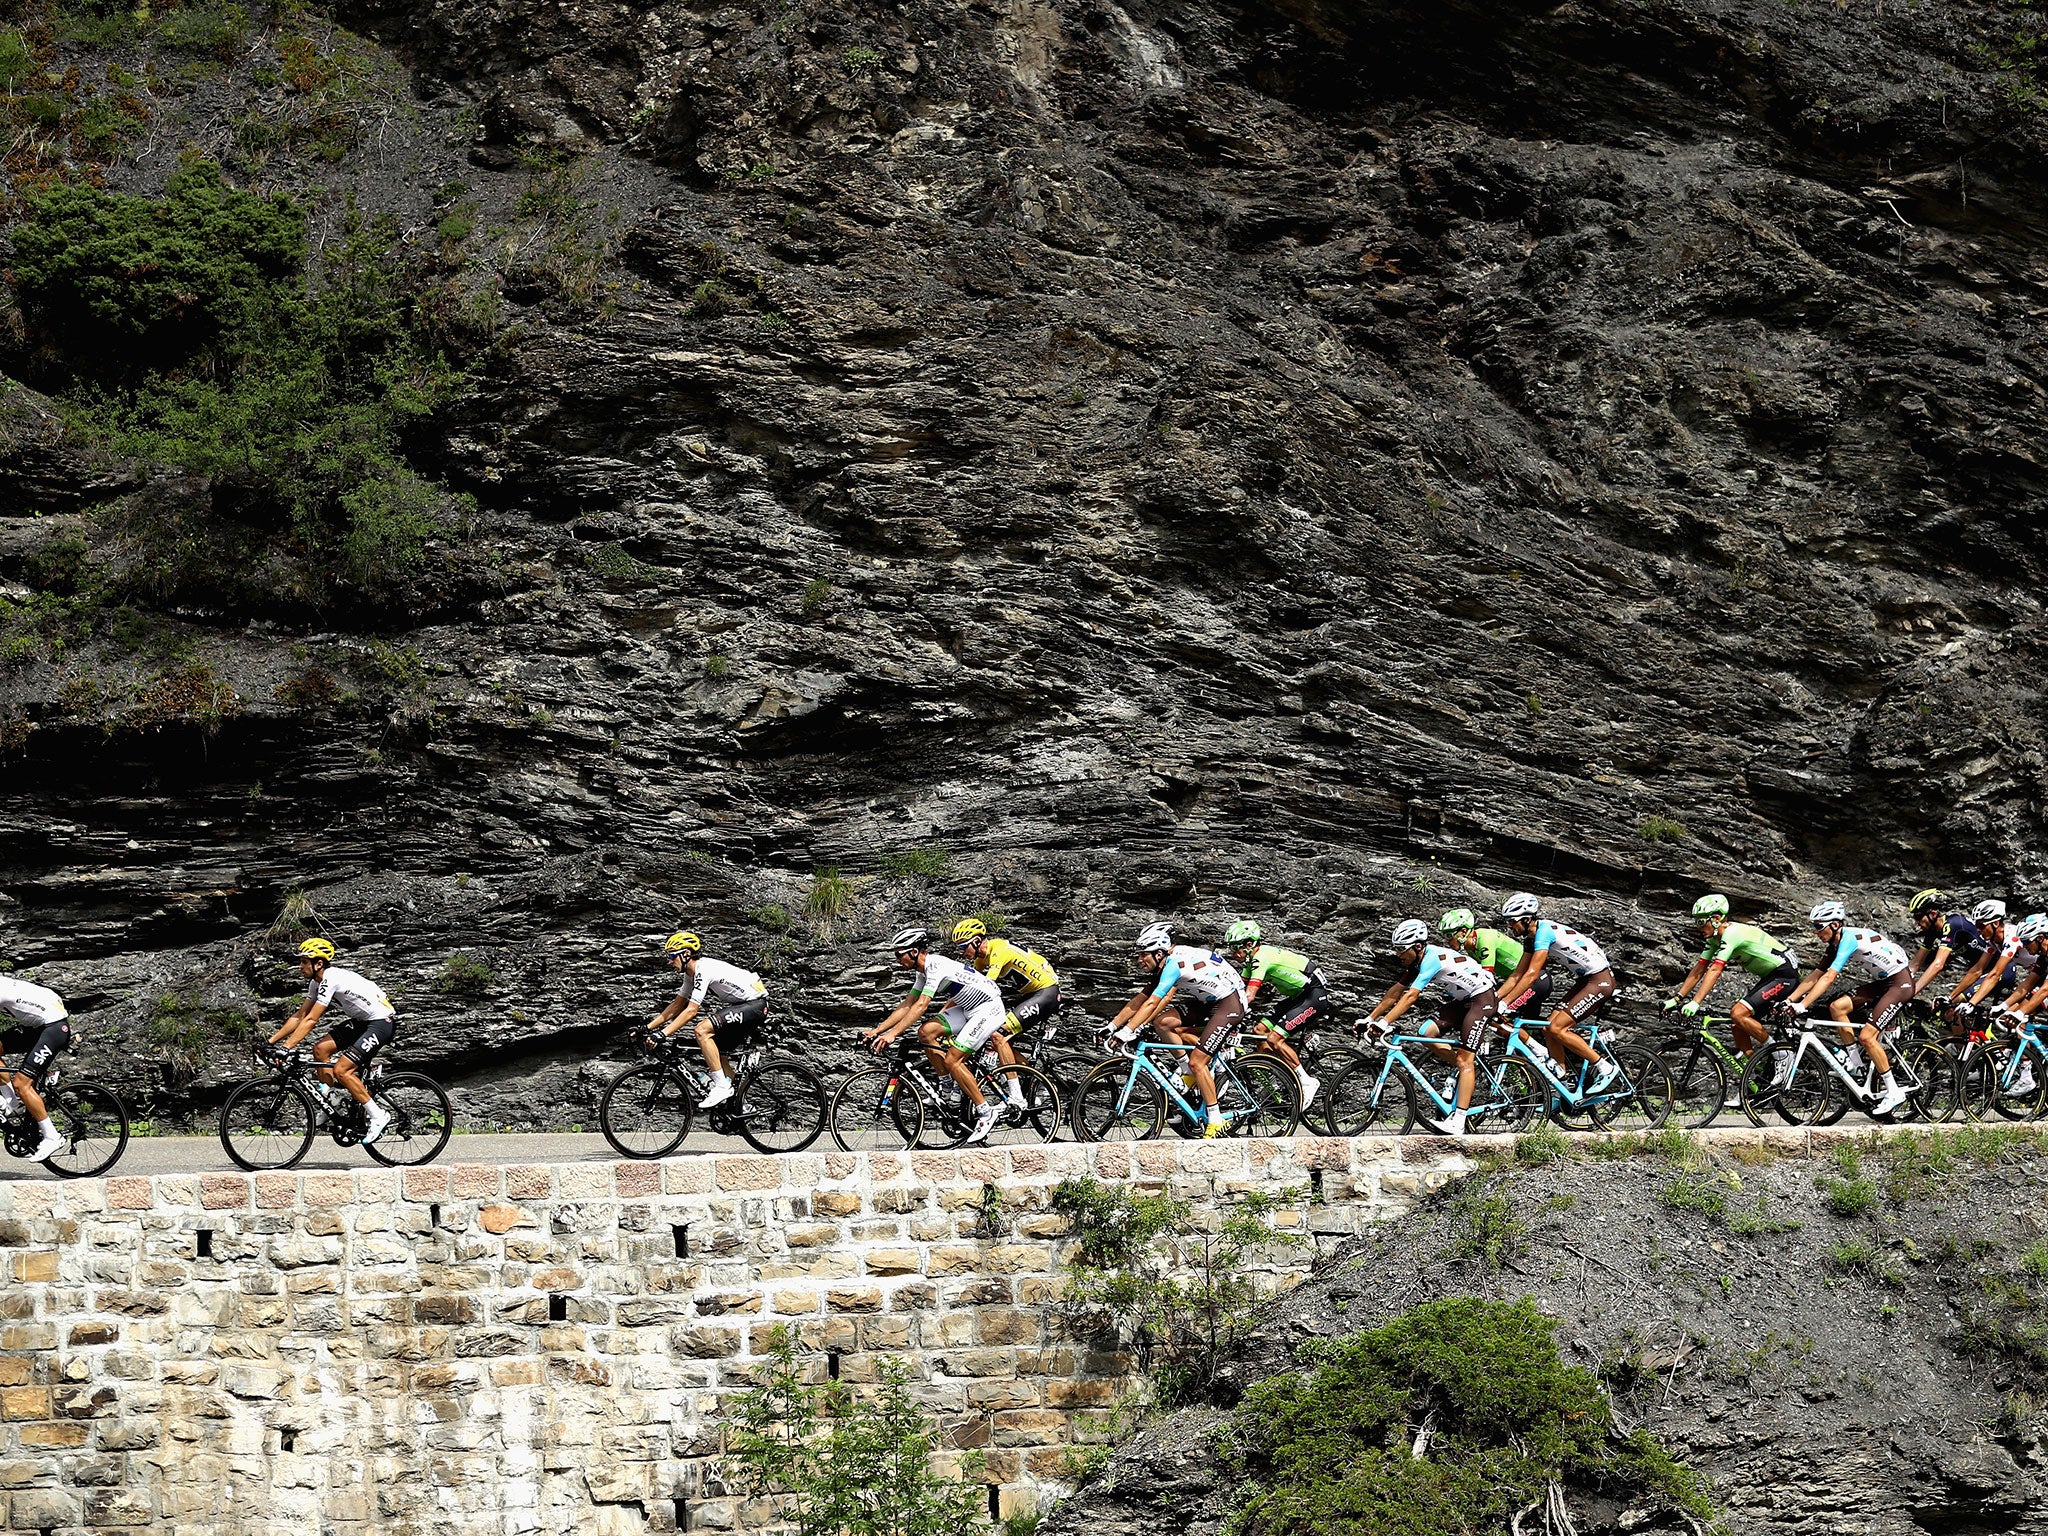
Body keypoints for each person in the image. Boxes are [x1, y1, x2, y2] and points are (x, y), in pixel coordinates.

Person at [862, 927, 1014, 1143]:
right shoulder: (921, 972)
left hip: (988, 1009)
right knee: (925, 1032)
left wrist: (893, 1034)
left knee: (953, 1059)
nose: (897, 959)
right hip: (967, 1009)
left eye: (899, 954)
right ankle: (947, 1087)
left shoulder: (935, 965)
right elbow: (908, 1004)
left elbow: (922, 1005)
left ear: (914, 952)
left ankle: (985, 1112)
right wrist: (878, 1030)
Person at [1104, 923, 1247, 1138]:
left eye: (1143, 955)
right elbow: (1140, 1000)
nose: (1139, 960)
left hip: (1230, 1003)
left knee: (1198, 1061)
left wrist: (1128, 1031)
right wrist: (1113, 1025)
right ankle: (1187, 1072)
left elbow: (1154, 1002)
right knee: (1162, 1023)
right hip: (1207, 1001)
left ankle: (1215, 1119)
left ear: (1159, 953)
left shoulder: (1173, 965)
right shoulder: (1164, 963)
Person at [1364, 919, 1499, 1137]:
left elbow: (1411, 996)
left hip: (1481, 999)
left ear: (1418, 946)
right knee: (1425, 1033)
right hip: (1463, 1000)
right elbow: (1395, 992)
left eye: (1401, 949)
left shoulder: (1431, 959)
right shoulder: (1415, 962)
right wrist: (1369, 1018)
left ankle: (1459, 1120)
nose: (1398, 954)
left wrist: (1385, 1022)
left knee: (1466, 1059)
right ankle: (1464, 1070)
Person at [1785, 902, 1914, 1117]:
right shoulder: (1834, 944)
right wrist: (1789, 1000)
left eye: (1819, 926)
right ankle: (1856, 1063)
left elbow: (1829, 977)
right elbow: (1814, 976)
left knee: (1867, 1037)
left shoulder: (1848, 939)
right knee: (1837, 1007)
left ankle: (1894, 1092)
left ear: (1835, 925)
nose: (1816, 932)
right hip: (1883, 983)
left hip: (1900, 984)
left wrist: (1802, 1005)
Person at [267, 938, 398, 1145]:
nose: (300, 966)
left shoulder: (330, 978)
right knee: (320, 1049)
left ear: (318, 963)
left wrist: (286, 1048)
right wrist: (271, 1042)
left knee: (342, 1070)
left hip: (381, 1022)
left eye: (303, 962)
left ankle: (378, 1115)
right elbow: (300, 1015)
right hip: (362, 1021)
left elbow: (311, 1019)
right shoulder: (315, 982)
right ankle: (331, 1101)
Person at [1490, 894, 1618, 1090]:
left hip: (1600, 979)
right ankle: (1564, 1080)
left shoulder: (1544, 933)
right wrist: (1495, 1000)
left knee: (1558, 1028)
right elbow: (1517, 975)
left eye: (1511, 921)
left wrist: (1506, 1005)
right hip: (1586, 979)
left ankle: (1605, 1067)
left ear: (1526, 919)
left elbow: (1532, 975)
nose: (1509, 926)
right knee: (1548, 1028)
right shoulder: (1531, 939)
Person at [1666, 895, 1799, 1056]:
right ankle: (1755, 1070)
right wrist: (1677, 998)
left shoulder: (1732, 933)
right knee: (1738, 1024)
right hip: (1771, 976)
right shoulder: (1714, 939)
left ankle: (1781, 1055)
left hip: (1784, 974)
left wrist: (1696, 1002)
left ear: (1716, 919)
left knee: (1738, 1013)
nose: (1698, 927)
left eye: (1701, 922)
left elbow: (1715, 970)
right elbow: (1700, 968)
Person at [646, 931, 767, 1110]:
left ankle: (722, 1086)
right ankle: (740, 1105)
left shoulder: (703, 970)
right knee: (718, 1053)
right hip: (744, 1005)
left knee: (702, 1030)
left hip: (755, 1004)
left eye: (672, 955)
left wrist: (662, 1035)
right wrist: (647, 1027)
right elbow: (677, 1005)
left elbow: (691, 1011)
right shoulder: (690, 975)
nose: (669, 961)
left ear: (686, 954)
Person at [1222, 920, 1321, 1110]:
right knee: (1259, 1030)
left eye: (1236, 949)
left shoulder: (1261, 957)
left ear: (1249, 944)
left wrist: (1226, 1015)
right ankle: (1276, 1079)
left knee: (1274, 1039)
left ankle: (1306, 1081)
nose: (1234, 954)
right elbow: (1237, 990)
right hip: (1297, 997)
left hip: (1313, 995)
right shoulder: (1250, 961)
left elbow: (1249, 995)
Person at [951, 919, 1059, 1066]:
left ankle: (1027, 1085)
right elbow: (967, 989)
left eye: (963, 947)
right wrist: (944, 1012)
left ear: (976, 941)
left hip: (1046, 993)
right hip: (1031, 995)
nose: (961, 952)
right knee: (1000, 1040)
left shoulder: (999, 950)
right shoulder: (981, 960)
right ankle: (1030, 1077)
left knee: (997, 1035)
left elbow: (985, 987)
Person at [0, 974, 71, 1161]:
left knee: (22, 1084)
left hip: (54, 1028)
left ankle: (52, 1136)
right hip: (39, 1026)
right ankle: (11, 1102)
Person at [1439, 908, 1547, 1019]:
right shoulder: (1470, 948)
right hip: (1517, 981)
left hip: (1535, 981)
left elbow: (1486, 979)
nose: (1447, 941)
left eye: (1449, 936)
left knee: (1498, 1017)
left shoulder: (1484, 939)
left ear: (1463, 932)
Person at [1941, 901, 2026, 1022]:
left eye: (1981, 926)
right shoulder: (1992, 941)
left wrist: (1971, 1004)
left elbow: (1995, 974)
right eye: (1976, 926)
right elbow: (1977, 970)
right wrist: (1950, 997)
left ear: (1996, 923)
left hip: (2041, 975)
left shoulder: (2011, 938)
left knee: (2018, 1022)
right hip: (2037, 973)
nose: (1978, 930)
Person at [1905, 889, 1978, 997]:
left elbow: (1938, 964)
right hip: (1978, 968)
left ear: (1933, 914)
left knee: (1954, 1004)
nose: (1916, 922)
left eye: (1918, 917)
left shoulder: (1953, 924)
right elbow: (1915, 964)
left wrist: (1911, 993)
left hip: (1996, 967)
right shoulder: (1933, 930)